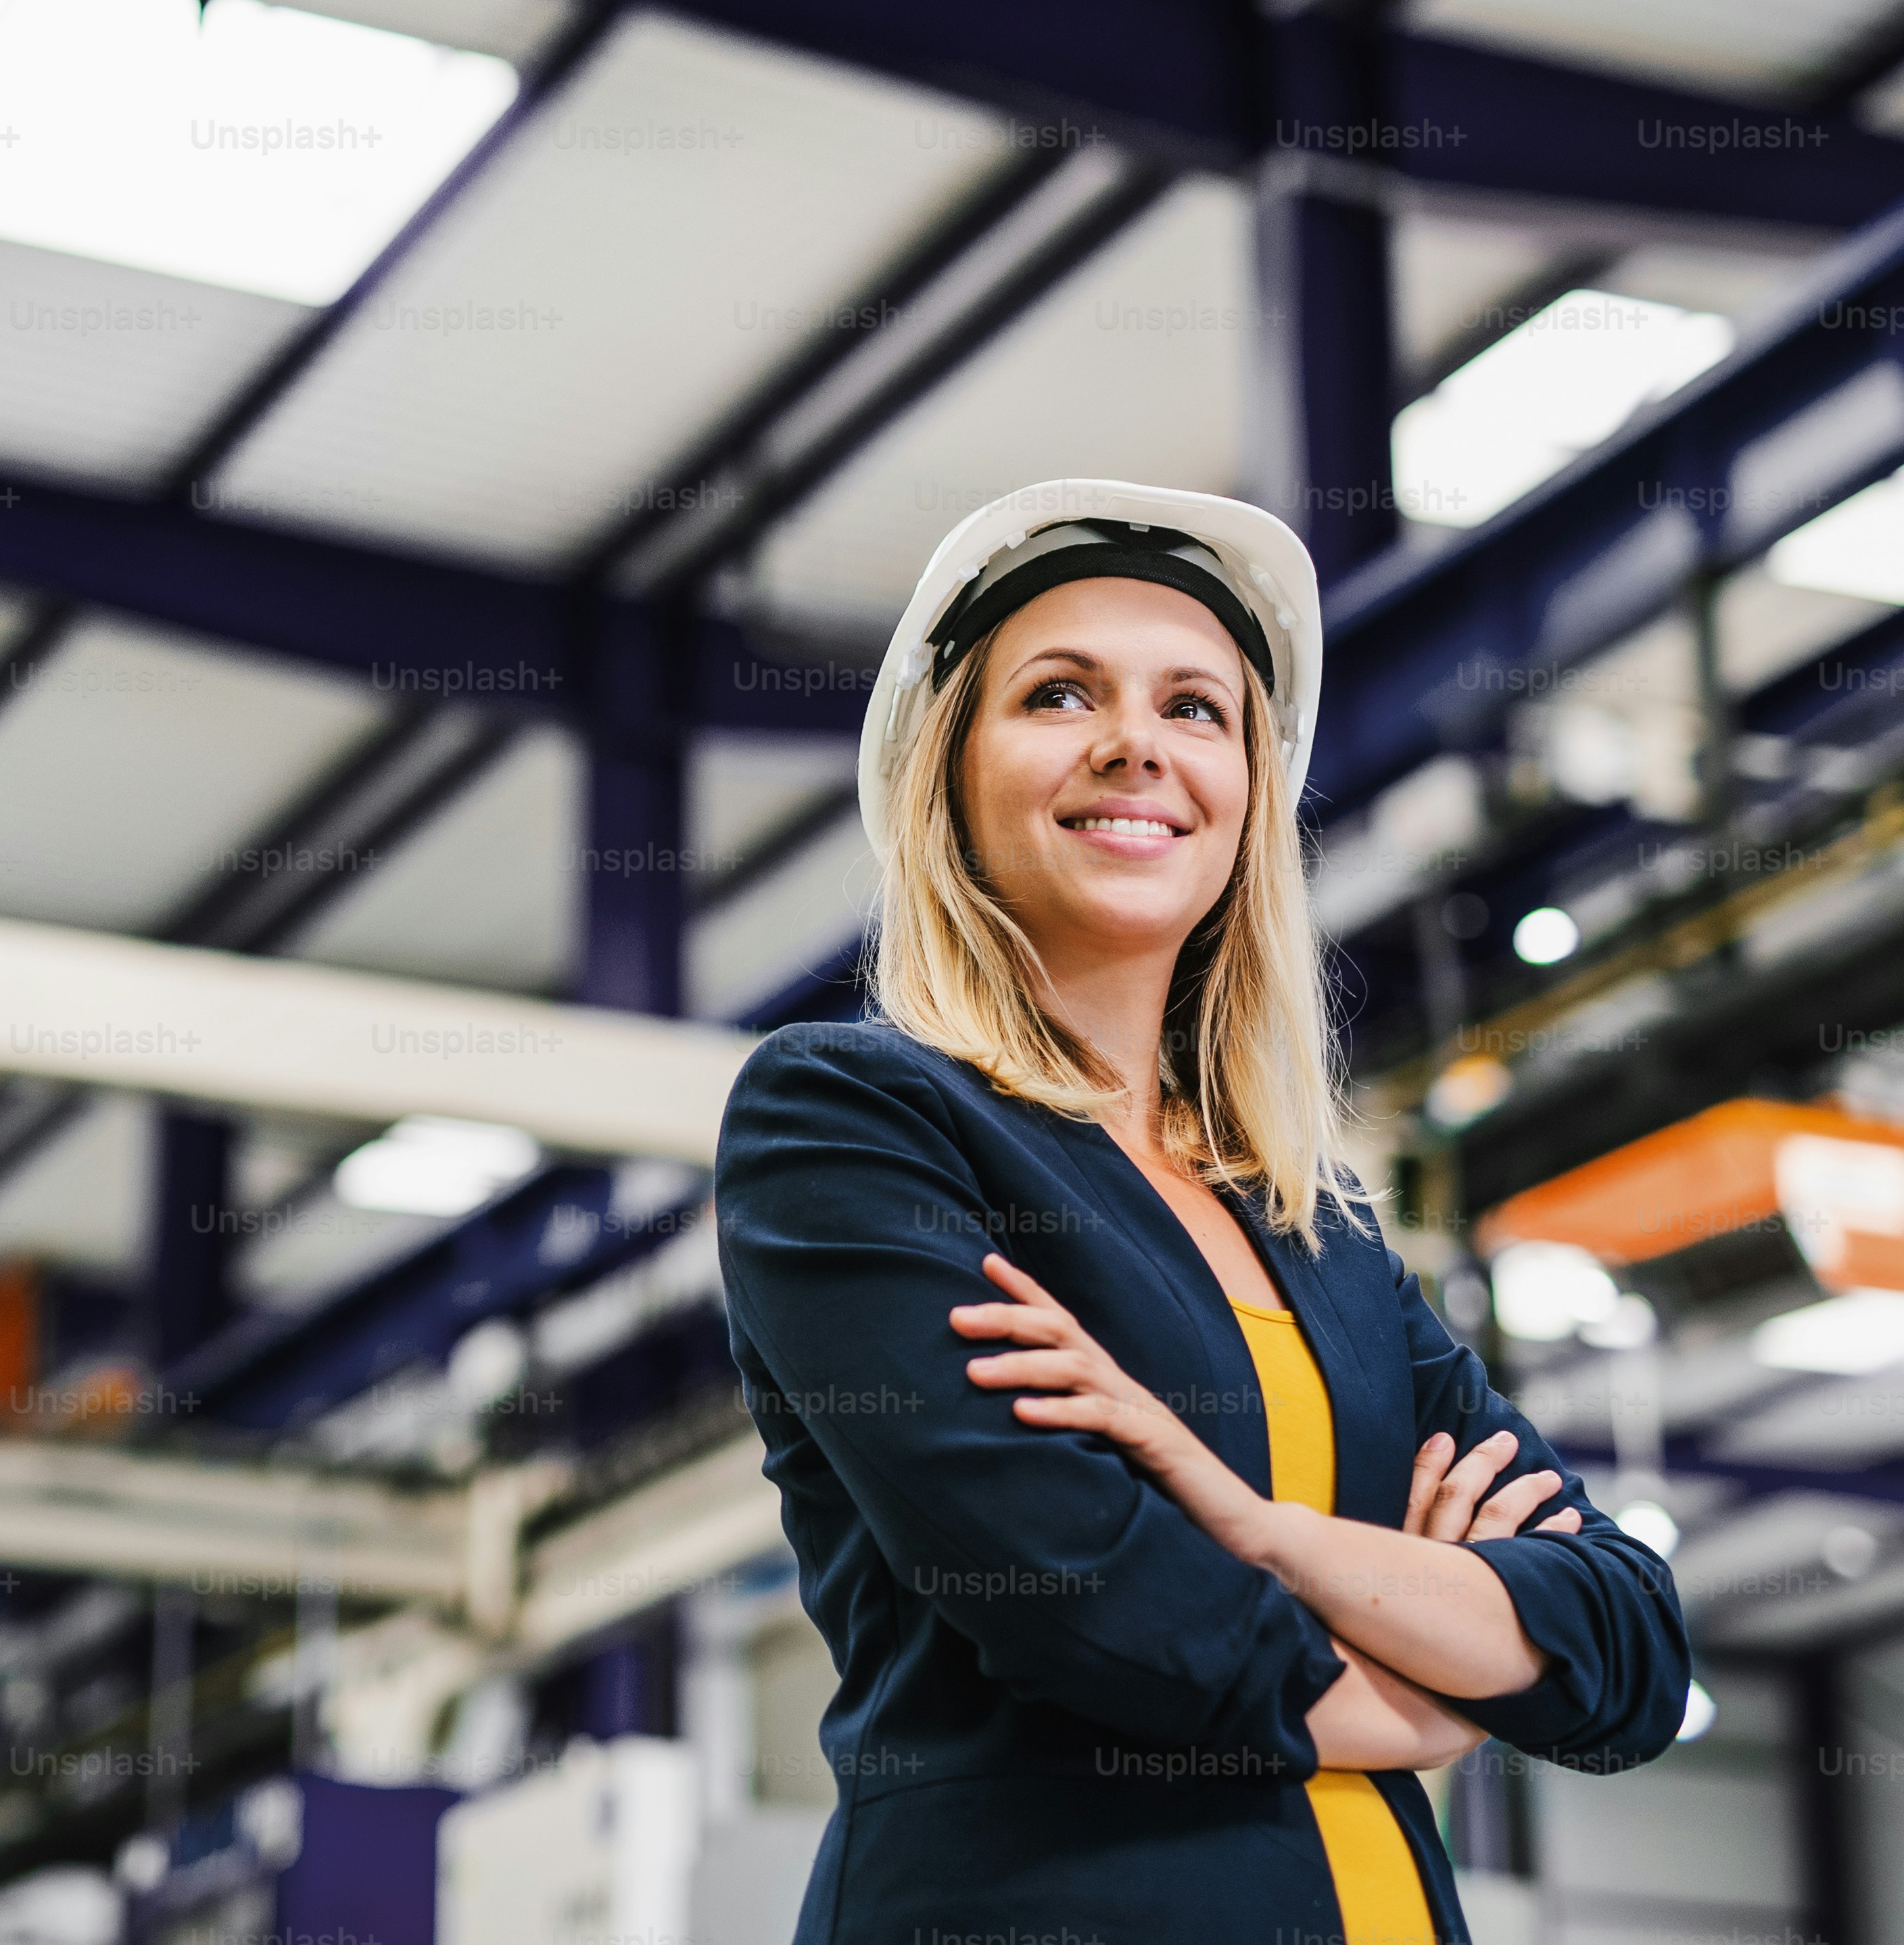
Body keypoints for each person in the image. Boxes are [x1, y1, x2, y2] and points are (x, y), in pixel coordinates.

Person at [716, 481, 1689, 1943]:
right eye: (1057, 694)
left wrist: (1258, 1527)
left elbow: (1624, 1655)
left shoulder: (1322, 1232)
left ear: (1244, 793)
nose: (1135, 744)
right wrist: (1433, 1680)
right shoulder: (853, 1116)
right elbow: (1090, 1601)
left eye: (1195, 707)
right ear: (949, 777)